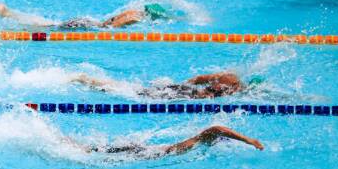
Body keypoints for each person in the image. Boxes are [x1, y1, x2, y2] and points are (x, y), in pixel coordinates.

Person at [70, 125, 264, 160]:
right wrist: (248, 140)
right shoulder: (202, 138)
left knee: (100, 151)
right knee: (97, 155)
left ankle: (80, 147)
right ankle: (78, 148)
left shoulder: (200, 142)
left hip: (152, 151)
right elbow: (216, 128)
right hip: (154, 153)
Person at [71, 72, 266, 99]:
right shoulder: (231, 86)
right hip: (184, 94)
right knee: (135, 93)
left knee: (135, 90)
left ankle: (89, 80)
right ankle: (87, 80)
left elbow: (199, 78)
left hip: (183, 89)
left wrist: (184, 84)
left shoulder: (228, 76)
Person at [0, 2, 175, 29]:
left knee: (47, 25)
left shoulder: (134, 12)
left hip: (85, 22)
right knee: (45, 28)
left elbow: (128, 14)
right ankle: (4, 12)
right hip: (84, 25)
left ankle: (6, 12)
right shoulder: (134, 17)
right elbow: (126, 20)